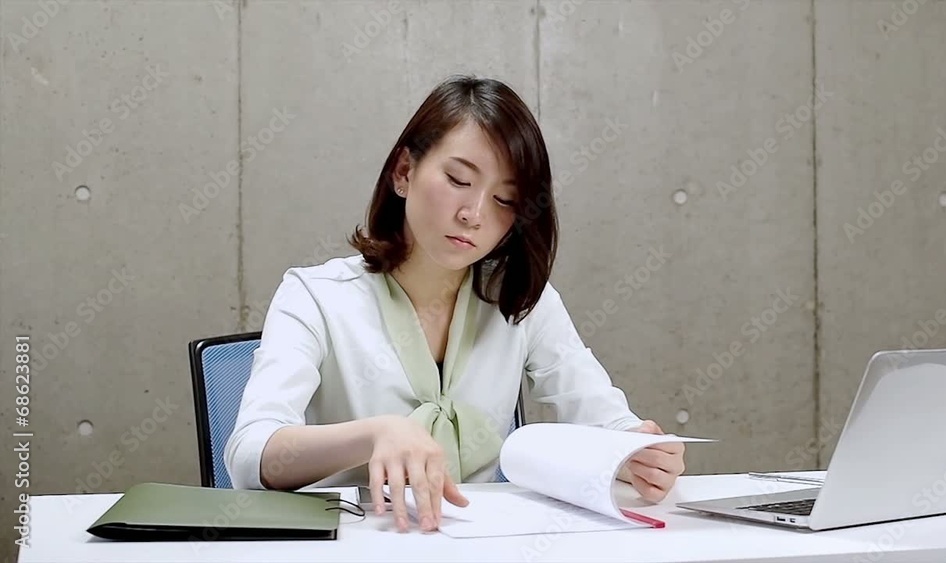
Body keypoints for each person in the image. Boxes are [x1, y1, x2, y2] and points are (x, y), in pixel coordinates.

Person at [224, 75, 685, 533]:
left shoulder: (522, 300)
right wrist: (374, 434)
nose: (474, 214)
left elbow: (604, 416)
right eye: (458, 180)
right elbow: (249, 456)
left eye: (504, 199)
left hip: (481, 544)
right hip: (354, 545)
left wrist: (638, 454)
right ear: (404, 172)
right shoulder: (317, 296)